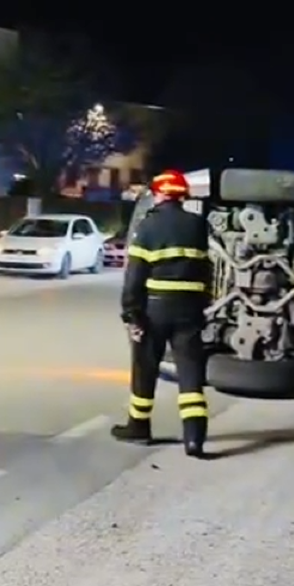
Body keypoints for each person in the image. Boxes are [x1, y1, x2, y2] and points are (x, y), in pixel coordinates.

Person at [112, 169, 213, 459]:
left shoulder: (148, 227)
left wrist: (131, 314)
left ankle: (139, 427)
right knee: (191, 373)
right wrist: (203, 304)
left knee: (145, 368)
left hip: (154, 309)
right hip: (190, 309)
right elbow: (206, 270)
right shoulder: (197, 225)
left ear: (158, 194)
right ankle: (194, 438)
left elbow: (134, 276)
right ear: (182, 196)